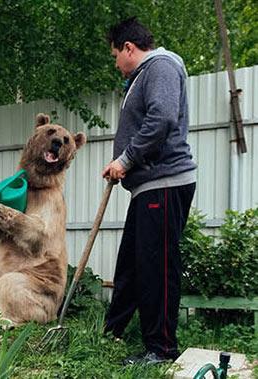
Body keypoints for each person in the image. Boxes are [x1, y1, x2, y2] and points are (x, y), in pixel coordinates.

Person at [101, 17, 197, 365]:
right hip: (148, 186)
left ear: (129, 48)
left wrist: (124, 160)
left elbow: (162, 119)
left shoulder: (161, 67)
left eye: (115, 55)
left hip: (165, 183)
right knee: (131, 263)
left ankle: (162, 349)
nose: (116, 64)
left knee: (158, 268)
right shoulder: (145, 75)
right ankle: (112, 331)